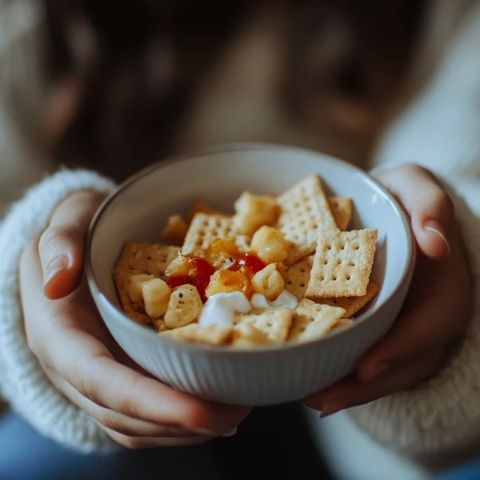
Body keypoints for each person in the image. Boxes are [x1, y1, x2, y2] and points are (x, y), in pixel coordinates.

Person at [0, 1, 479, 479]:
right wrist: (29, 284)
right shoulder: (29, 20)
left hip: (355, 413)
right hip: (126, 381)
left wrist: (464, 272)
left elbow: (465, 168)